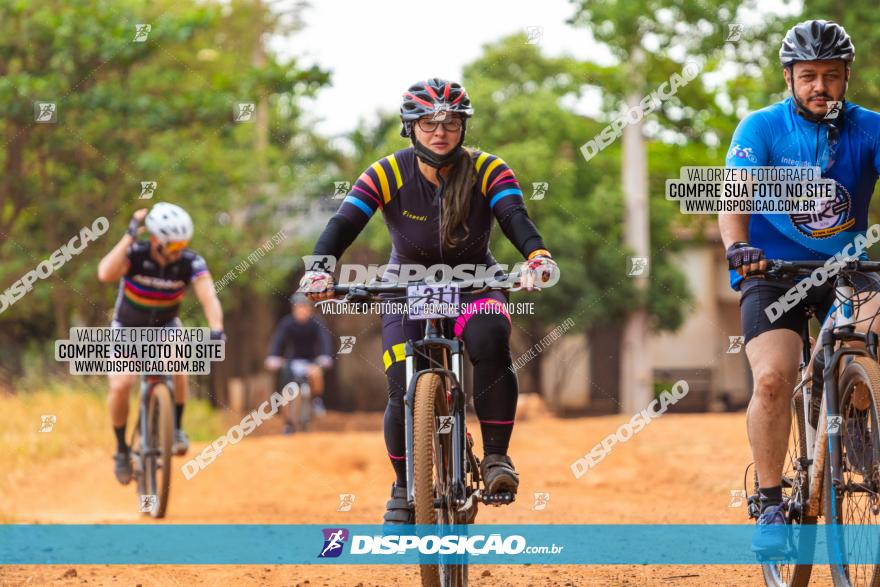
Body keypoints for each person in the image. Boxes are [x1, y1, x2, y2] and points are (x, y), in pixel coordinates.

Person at [299, 78, 559, 524]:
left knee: (491, 337)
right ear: (410, 127)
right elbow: (345, 222)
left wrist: (536, 256)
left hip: (475, 282)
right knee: (401, 385)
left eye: (452, 122)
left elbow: (515, 216)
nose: (440, 131)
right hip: (405, 286)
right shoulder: (386, 172)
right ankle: (403, 488)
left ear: (463, 127)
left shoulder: (489, 169)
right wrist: (321, 267)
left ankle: (497, 459)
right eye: (428, 122)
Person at [720, 20, 880, 553]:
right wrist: (738, 247)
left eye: (831, 76)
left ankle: (859, 410)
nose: (820, 87)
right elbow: (735, 197)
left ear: (846, 77)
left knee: (870, 339)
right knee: (772, 379)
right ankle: (769, 503)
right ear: (789, 77)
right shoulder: (761, 128)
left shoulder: (870, 128)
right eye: (808, 76)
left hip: (848, 270)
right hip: (772, 273)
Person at [97, 202, 225, 484]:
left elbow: (208, 296)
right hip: (126, 328)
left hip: (165, 328)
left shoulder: (190, 262)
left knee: (177, 363)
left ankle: (176, 428)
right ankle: (121, 449)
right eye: (172, 244)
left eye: (182, 243)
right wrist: (129, 235)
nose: (177, 249)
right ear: (154, 239)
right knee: (120, 385)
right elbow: (105, 273)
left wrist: (216, 329)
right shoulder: (135, 253)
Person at [264, 293, 334, 433]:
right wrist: (273, 357)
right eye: (298, 308)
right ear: (293, 309)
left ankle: (316, 400)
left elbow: (324, 340)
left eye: (304, 308)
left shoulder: (316, 323)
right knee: (286, 392)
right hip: (291, 361)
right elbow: (277, 341)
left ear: (310, 309)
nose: (301, 311)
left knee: (316, 373)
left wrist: (325, 357)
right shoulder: (287, 323)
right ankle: (288, 423)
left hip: (311, 361)